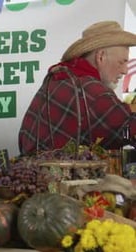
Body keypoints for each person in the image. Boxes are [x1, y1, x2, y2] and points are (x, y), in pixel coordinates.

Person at [19, 21, 136, 155]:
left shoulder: (58, 79)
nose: (125, 71)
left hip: (35, 170)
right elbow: (128, 129)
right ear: (101, 57)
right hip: (65, 174)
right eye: (122, 62)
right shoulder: (92, 90)